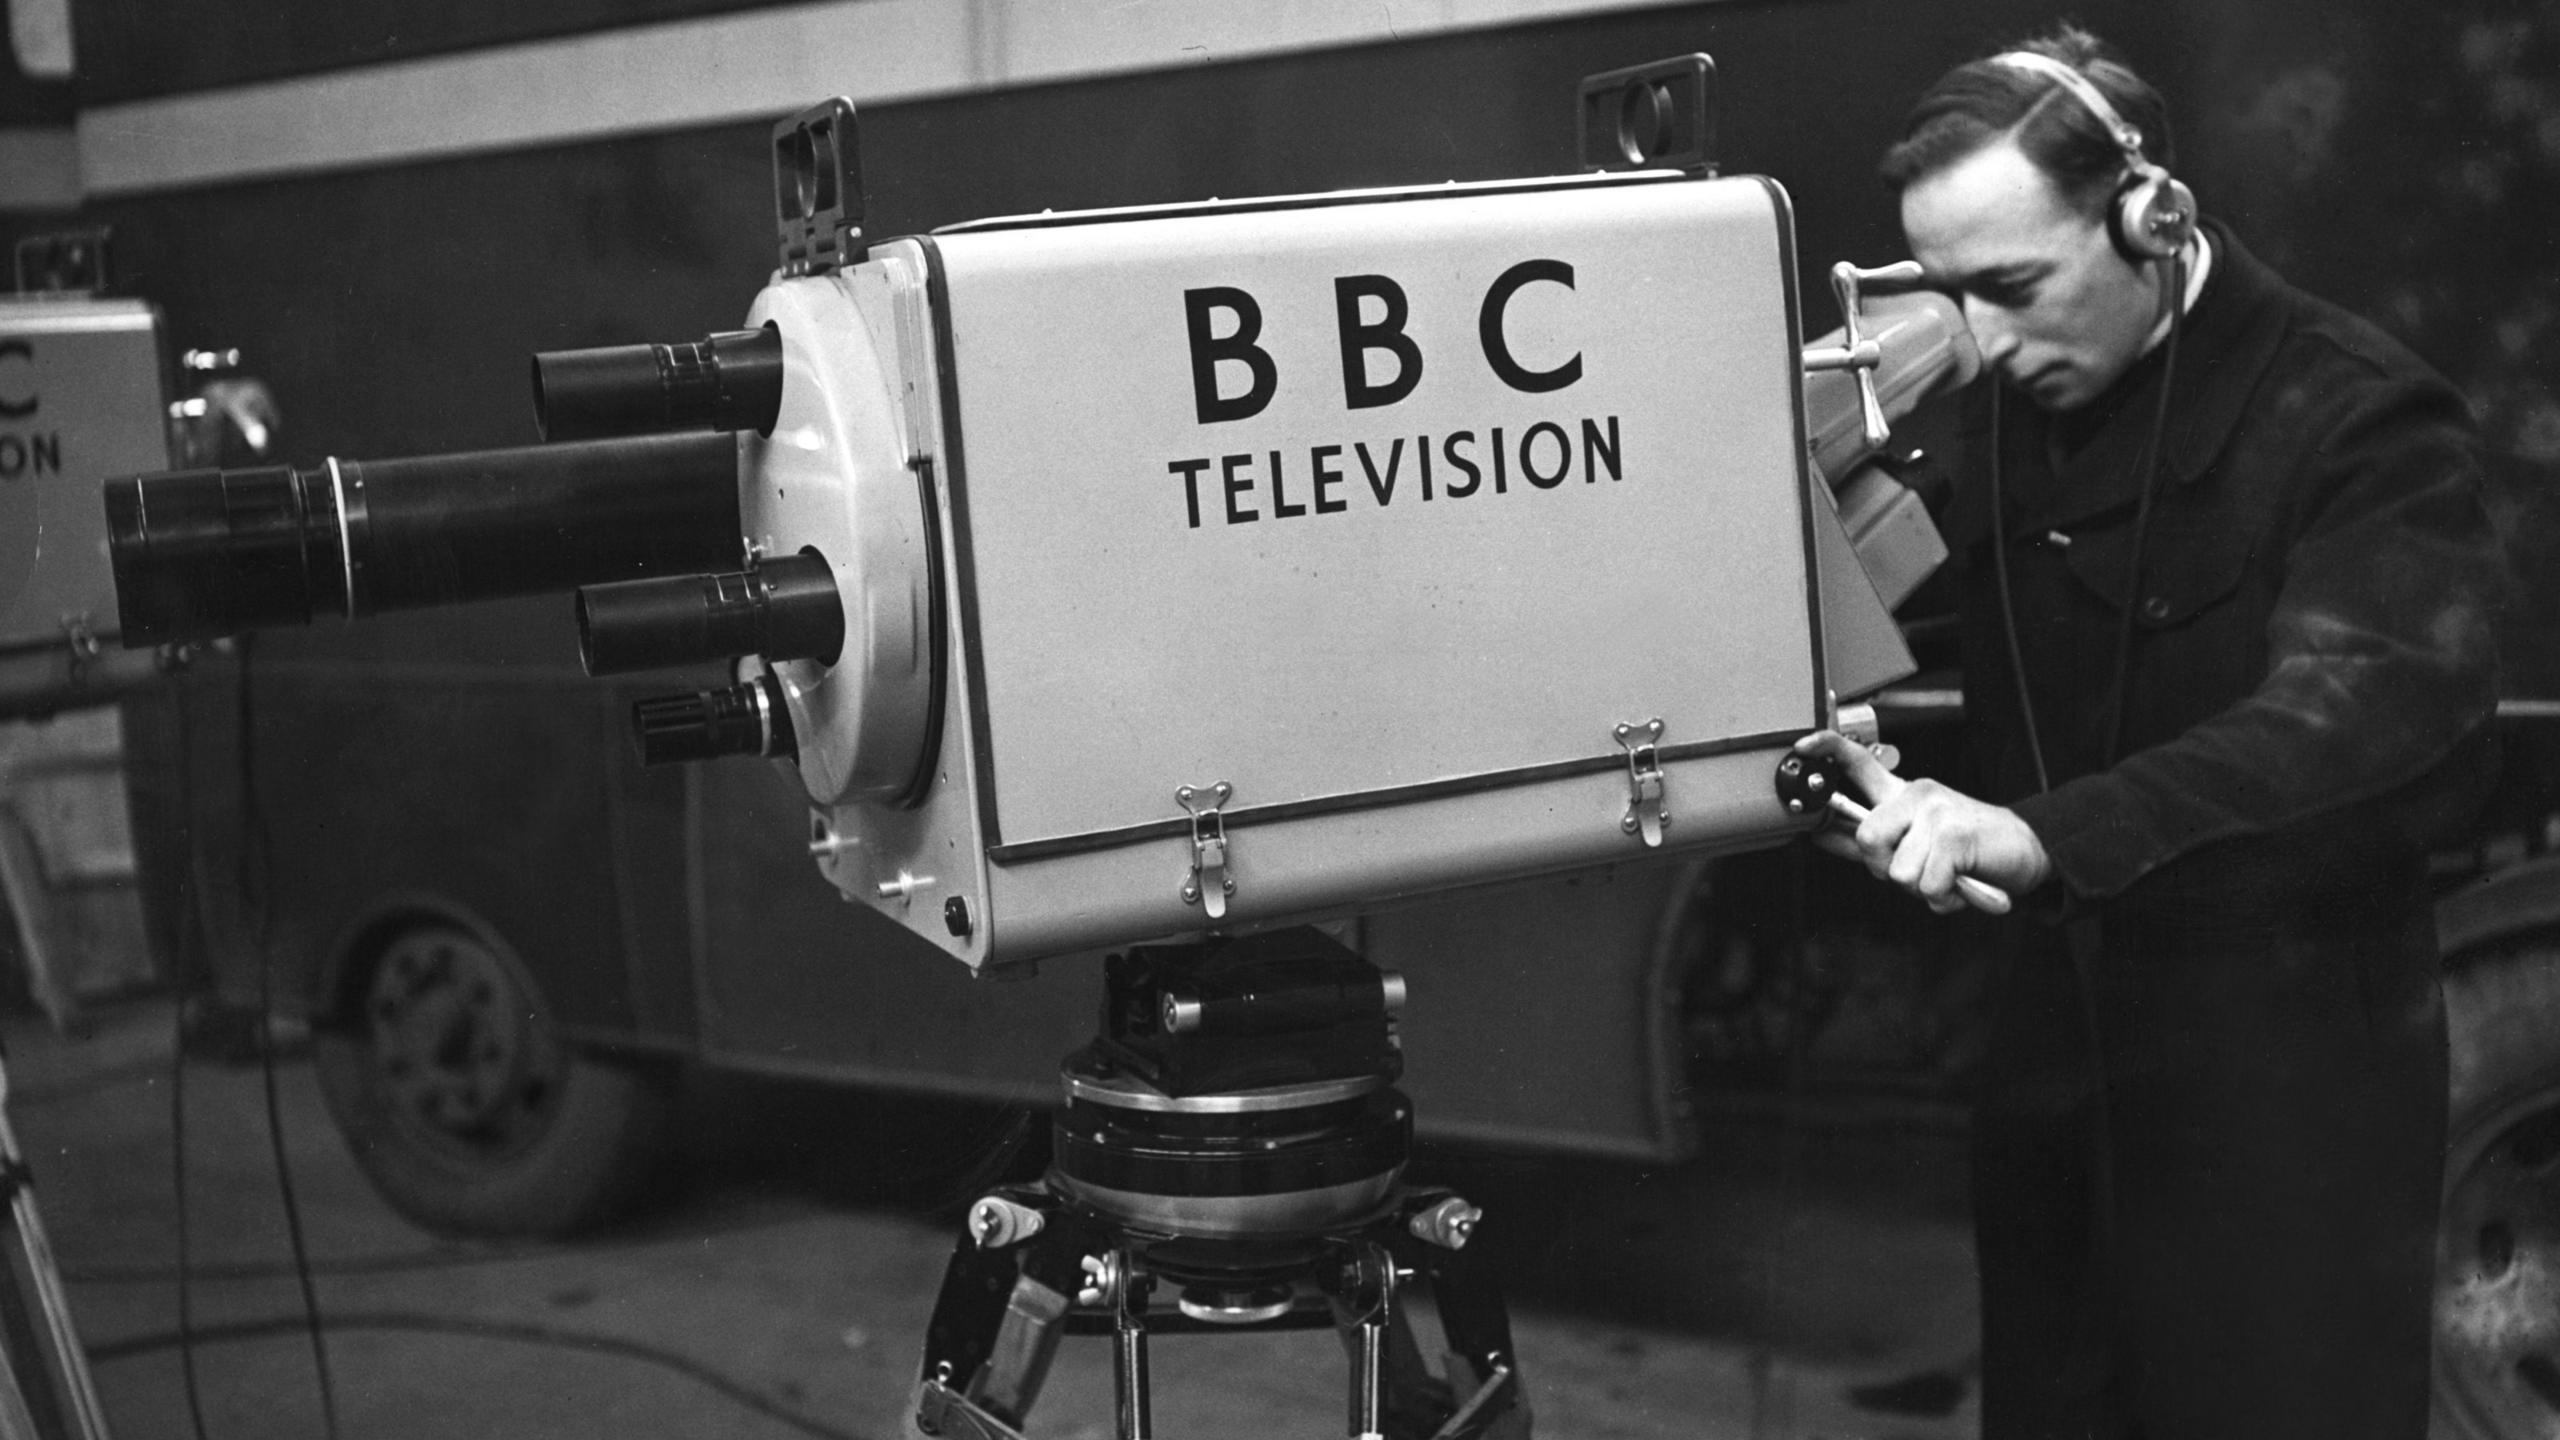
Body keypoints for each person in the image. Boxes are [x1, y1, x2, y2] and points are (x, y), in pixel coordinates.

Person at [1794, 24, 2503, 1440]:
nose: (1987, 343)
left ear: (2150, 219)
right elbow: (1943, 630)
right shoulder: (2014, 407)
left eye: (2014, 288)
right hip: (2058, 1076)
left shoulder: (2358, 418)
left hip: (2289, 1096)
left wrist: (2043, 837)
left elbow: (2354, 716)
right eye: (1953, 297)